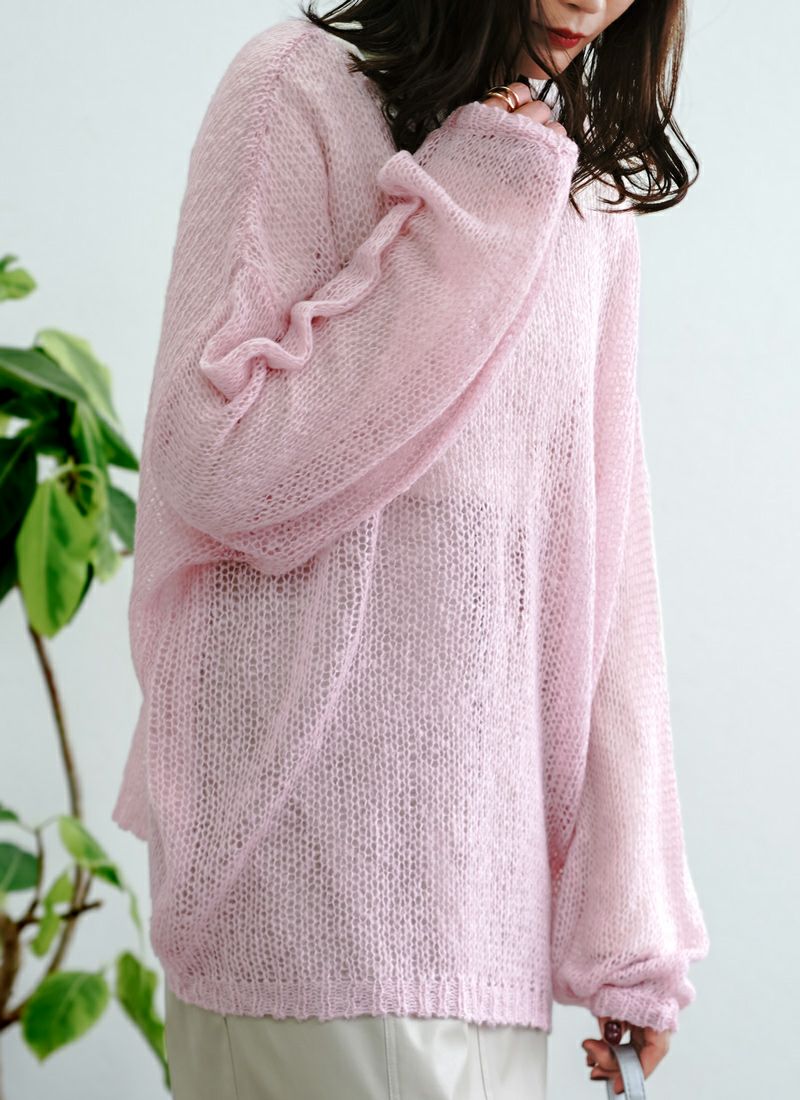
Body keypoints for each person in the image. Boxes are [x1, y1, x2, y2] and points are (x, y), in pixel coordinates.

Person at [111, 1, 711, 1097]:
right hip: (302, 893)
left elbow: (604, 558)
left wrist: (631, 928)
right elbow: (219, 461)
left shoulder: (580, 191)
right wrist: (471, 198)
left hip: (489, 914)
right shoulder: (297, 90)